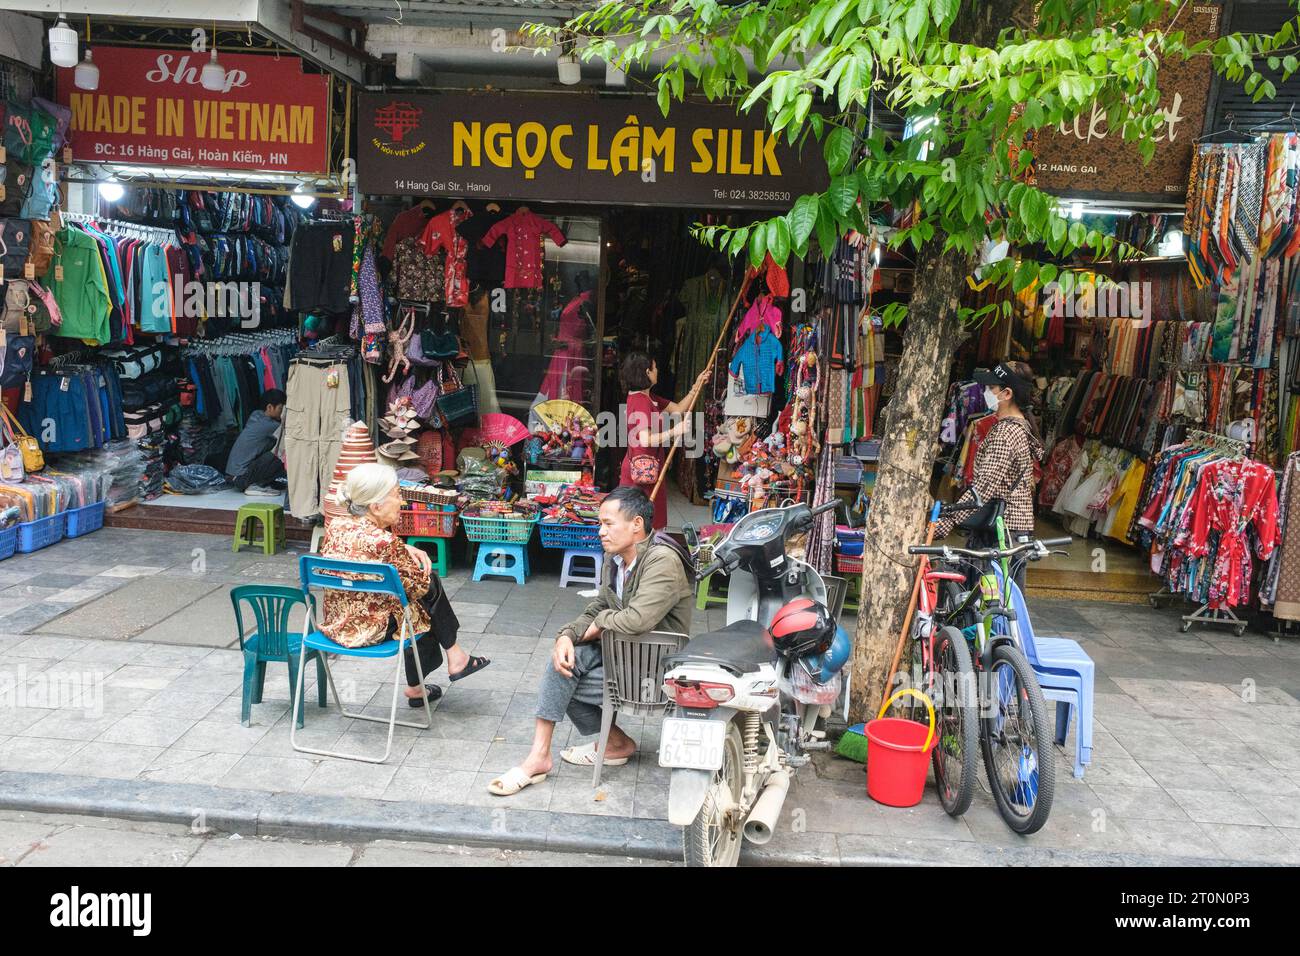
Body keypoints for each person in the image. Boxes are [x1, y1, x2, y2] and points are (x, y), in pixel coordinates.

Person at [488, 486, 694, 796]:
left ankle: (609, 744)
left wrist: (599, 624)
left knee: (565, 679)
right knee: (563, 666)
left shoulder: (662, 560)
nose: (600, 531)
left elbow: (637, 620)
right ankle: (543, 756)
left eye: (609, 523)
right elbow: (598, 607)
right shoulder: (615, 561)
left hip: (655, 671)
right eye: (601, 523)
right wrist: (566, 636)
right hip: (622, 659)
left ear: (636, 524)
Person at [320, 463, 489, 706]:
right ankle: (449, 660)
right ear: (376, 506)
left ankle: (434, 674)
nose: (402, 502)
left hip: (337, 623)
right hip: (370, 629)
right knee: (424, 597)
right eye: (398, 495)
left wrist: (404, 548)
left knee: (418, 602)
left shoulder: (336, 526)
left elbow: (362, 546)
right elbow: (420, 588)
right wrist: (404, 553)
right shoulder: (386, 543)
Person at [934, 360, 1045, 589]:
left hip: (1001, 532)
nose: (985, 392)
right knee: (1005, 601)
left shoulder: (1005, 434)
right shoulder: (1017, 427)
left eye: (990, 388)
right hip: (1011, 527)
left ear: (1006, 393)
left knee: (995, 602)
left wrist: (946, 522)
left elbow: (983, 488)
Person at [619, 351, 711, 530]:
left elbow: (678, 409)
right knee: (641, 523)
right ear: (647, 372)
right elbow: (646, 439)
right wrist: (675, 431)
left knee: (647, 521)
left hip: (650, 469)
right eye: (655, 368)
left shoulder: (649, 397)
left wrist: (696, 385)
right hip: (641, 473)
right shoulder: (640, 401)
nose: (658, 371)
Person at [225, 389, 288, 496]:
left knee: (274, 448)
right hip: (242, 478)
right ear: (269, 407)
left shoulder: (256, 416)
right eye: (280, 409)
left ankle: (263, 482)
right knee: (283, 453)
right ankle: (256, 485)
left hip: (233, 476)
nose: (282, 413)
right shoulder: (270, 425)